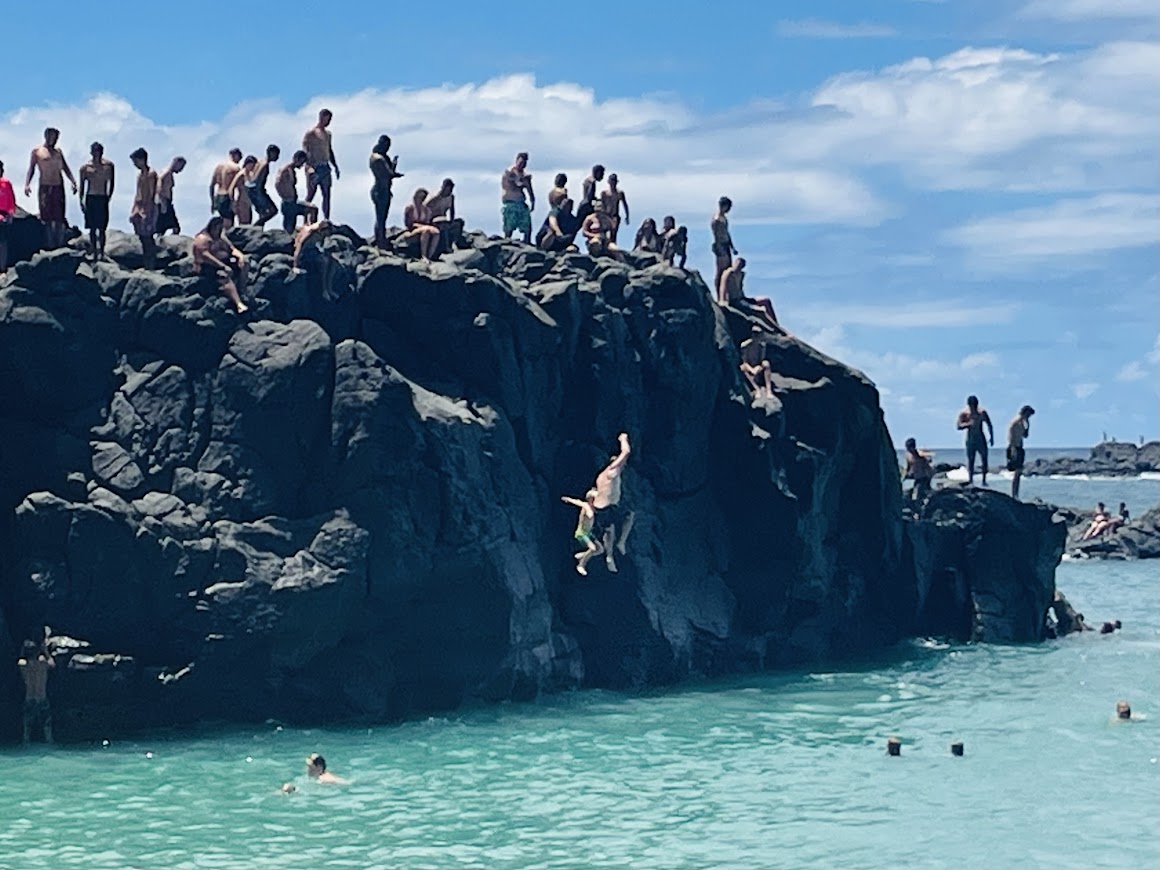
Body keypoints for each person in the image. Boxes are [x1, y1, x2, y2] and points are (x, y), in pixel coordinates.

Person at [24, 127, 78, 248]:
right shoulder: (37, 151)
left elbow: (65, 167)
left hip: (58, 185)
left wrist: (73, 181)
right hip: (45, 186)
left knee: (59, 217)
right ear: (46, 136)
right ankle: (49, 244)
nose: (53, 140)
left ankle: (59, 243)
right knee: (47, 218)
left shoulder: (58, 152)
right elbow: (31, 168)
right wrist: (27, 184)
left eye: (56, 138)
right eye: (52, 137)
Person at [592, 433, 635, 572]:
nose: (622, 467)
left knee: (615, 526)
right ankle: (612, 552)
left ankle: (616, 548)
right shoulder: (611, 472)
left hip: (607, 506)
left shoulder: (607, 475)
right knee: (611, 529)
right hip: (605, 507)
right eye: (619, 464)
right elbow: (626, 452)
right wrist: (623, 439)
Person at [192, 216, 249, 314]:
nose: (219, 230)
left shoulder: (221, 238)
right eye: (217, 228)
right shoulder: (203, 238)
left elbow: (231, 248)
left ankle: (242, 290)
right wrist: (222, 266)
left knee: (245, 263)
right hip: (208, 266)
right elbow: (205, 255)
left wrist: (240, 256)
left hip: (224, 262)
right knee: (225, 276)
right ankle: (238, 303)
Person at [718, 257, 780, 330]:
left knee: (766, 301)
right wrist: (722, 300)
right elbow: (723, 286)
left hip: (742, 298)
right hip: (735, 300)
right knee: (760, 312)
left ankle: (775, 324)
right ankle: (775, 328)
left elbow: (740, 288)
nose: (739, 266)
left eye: (741, 265)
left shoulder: (741, 274)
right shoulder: (729, 272)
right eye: (738, 264)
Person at [78, 142, 115, 260]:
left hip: (102, 197)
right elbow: (82, 185)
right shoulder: (86, 168)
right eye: (94, 151)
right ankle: (94, 252)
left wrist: (108, 196)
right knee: (92, 228)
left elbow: (112, 182)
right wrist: (81, 200)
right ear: (91, 152)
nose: (96, 154)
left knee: (102, 228)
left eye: (98, 151)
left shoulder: (108, 166)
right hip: (91, 197)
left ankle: (102, 253)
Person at [303, 108, 340, 219]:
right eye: (327, 119)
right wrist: (309, 167)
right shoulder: (311, 133)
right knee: (311, 194)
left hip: (325, 166)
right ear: (321, 117)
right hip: (314, 166)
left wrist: (335, 165)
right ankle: (306, 219)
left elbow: (330, 150)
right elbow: (305, 151)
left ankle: (326, 218)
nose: (328, 122)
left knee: (327, 194)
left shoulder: (328, 134)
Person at [369, 135, 403, 248]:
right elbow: (388, 173)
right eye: (386, 145)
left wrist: (393, 164)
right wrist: (394, 171)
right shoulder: (378, 158)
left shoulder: (382, 157)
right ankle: (380, 241)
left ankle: (381, 239)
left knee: (382, 217)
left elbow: (389, 172)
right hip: (380, 190)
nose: (387, 148)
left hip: (385, 189)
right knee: (380, 217)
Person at [18, 638, 53, 744]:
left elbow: (21, 658)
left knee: (27, 727)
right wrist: (45, 651)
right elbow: (52, 664)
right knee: (47, 725)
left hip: (29, 698)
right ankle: (49, 741)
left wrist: (22, 651)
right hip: (42, 697)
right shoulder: (42, 663)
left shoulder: (22, 664)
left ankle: (26, 741)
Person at [561, 490, 603, 576]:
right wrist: (568, 499)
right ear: (591, 500)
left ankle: (582, 555)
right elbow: (578, 502)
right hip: (582, 533)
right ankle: (580, 565)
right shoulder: (586, 506)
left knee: (600, 550)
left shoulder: (594, 509)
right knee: (593, 548)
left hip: (588, 533)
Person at [129, 148, 159, 270]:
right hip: (140, 206)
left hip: (148, 207)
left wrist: (148, 211)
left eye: (136, 161)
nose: (135, 164)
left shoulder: (151, 174)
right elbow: (138, 193)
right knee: (141, 236)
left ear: (142, 160)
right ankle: (146, 262)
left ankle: (151, 263)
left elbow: (151, 194)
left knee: (148, 236)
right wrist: (134, 209)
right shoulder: (140, 175)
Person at [276, 151, 318, 234]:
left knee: (312, 209)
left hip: (292, 202)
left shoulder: (290, 170)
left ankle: (307, 228)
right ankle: (308, 231)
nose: (301, 165)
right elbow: (278, 184)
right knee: (289, 229)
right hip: (289, 203)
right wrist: (286, 196)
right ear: (296, 159)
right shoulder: (286, 170)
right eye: (301, 162)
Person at [956, 395, 994, 486]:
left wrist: (992, 437)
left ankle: (984, 480)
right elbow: (958, 426)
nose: (974, 407)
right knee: (971, 460)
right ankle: (971, 480)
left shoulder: (982, 413)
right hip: (970, 439)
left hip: (980, 438)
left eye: (975, 405)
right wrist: (968, 424)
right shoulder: (965, 413)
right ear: (969, 405)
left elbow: (989, 425)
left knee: (984, 459)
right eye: (972, 405)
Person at [501, 152, 535, 243]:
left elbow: (529, 188)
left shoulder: (524, 175)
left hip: (520, 202)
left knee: (527, 225)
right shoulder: (510, 172)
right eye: (520, 162)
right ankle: (507, 241)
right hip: (510, 201)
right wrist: (524, 181)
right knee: (509, 225)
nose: (522, 165)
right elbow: (516, 184)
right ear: (516, 160)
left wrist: (533, 200)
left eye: (524, 163)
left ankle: (527, 241)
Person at [246, 146, 280, 229]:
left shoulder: (260, 161)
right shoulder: (264, 164)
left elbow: (252, 175)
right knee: (273, 211)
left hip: (253, 190)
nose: (277, 157)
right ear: (271, 153)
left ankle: (258, 230)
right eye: (276, 154)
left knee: (262, 213)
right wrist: (258, 192)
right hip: (257, 191)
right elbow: (256, 179)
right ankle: (255, 226)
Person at [425, 178, 462, 253]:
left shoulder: (451, 197)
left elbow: (452, 210)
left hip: (443, 218)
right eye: (449, 189)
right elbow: (424, 207)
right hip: (432, 220)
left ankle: (457, 243)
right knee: (444, 226)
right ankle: (446, 247)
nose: (450, 191)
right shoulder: (434, 196)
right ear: (444, 188)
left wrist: (452, 221)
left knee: (459, 223)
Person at [1006, 404, 1035, 499]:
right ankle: (1014, 494)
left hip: (1019, 447)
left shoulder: (1022, 422)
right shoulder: (1016, 422)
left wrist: (1028, 425)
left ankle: (1015, 494)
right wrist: (1013, 448)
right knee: (1017, 472)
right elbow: (1011, 435)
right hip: (1015, 447)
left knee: (1018, 472)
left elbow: (1025, 436)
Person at [404, 188, 441, 260]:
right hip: (412, 230)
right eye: (420, 197)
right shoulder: (410, 208)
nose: (421, 199)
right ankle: (424, 256)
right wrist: (423, 226)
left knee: (436, 232)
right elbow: (408, 224)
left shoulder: (426, 209)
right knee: (426, 231)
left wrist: (426, 226)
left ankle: (430, 255)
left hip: (425, 227)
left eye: (423, 197)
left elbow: (428, 222)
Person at [209, 148, 243, 227]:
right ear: (236, 155)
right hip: (227, 197)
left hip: (218, 196)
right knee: (228, 223)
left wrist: (213, 201)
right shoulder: (235, 168)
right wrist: (234, 202)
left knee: (221, 222)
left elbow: (211, 185)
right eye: (239, 158)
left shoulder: (219, 167)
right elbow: (239, 188)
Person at [155, 156, 187, 237]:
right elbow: (159, 186)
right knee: (174, 227)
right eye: (181, 167)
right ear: (176, 163)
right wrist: (163, 202)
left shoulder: (166, 172)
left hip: (165, 200)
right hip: (163, 200)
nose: (181, 170)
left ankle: (161, 239)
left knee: (163, 225)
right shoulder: (167, 173)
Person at [739, 327, 774, 400]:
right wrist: (752, 370)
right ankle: (757, 389)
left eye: (758, 334)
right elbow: (744, 362)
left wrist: (758, 368)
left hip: (758, 368)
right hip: (749, 368)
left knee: (766, 363)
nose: (756, 336)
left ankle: (769, 390)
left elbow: (762, 360)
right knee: (742, 368)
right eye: (755, 334)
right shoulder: (745, 346)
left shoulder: (762, 346)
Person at [711, 196, 737, 291]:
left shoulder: (724, 218)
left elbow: (726, 232)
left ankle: (726, 292)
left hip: (725, 245)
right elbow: (716, 234)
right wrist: (718, 247)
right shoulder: (717, 219)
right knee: (721, 271)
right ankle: (719, 294)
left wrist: (732, 246)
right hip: (720, 245)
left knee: (728, 269)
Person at [903, 437, 935, 502]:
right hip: (917, 477)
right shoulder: (908, 455)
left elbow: (929, 459)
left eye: (909, 448)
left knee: (919, 493)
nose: (908, 449)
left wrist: (926, 457)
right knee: (919, 494)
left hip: (925, 476)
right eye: (907, 448)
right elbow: (908, 467)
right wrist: (905, 476)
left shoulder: (919, 454)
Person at [600, 173, 629, 243]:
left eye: (614, 181)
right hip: (606, 215)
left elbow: (625, 204)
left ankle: (613, 246)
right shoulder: (604, 193)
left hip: (614, 215)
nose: (613, 183)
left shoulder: (619, 193)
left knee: (613, 233)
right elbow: (602, 204)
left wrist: (627, 216)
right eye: (612, 181)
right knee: (603, 232)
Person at [230, 155, 258, 226]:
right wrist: (233, 203)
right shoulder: (241, 174)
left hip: (249, 202)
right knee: (243, 225)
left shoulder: (251, 175)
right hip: (241, 202)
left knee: (249, 224)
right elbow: (231, 188)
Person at [0, 159, 15, 273]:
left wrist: (10, 215)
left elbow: (11, 200)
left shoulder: (6, 183)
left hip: (4, 216)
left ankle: (2, 268)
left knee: (3, 243)